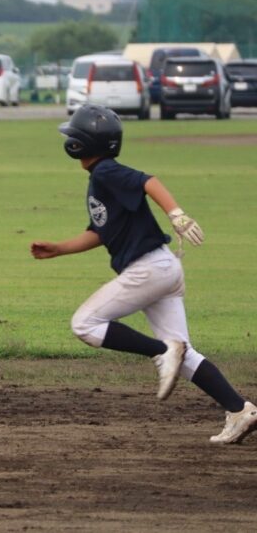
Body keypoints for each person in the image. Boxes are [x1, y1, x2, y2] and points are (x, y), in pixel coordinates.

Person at [30, 104, 256, 444]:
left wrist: (177, 214)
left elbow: (148, 181)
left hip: (148, 269)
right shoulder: (100, 179)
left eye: (72, 135)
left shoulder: (106, 172)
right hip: (162, 268)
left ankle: (163, 349)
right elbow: (100, 232)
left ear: (81, 144)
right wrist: (59, 248)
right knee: (185, 354)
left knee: (85, 324)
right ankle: (240, 410)